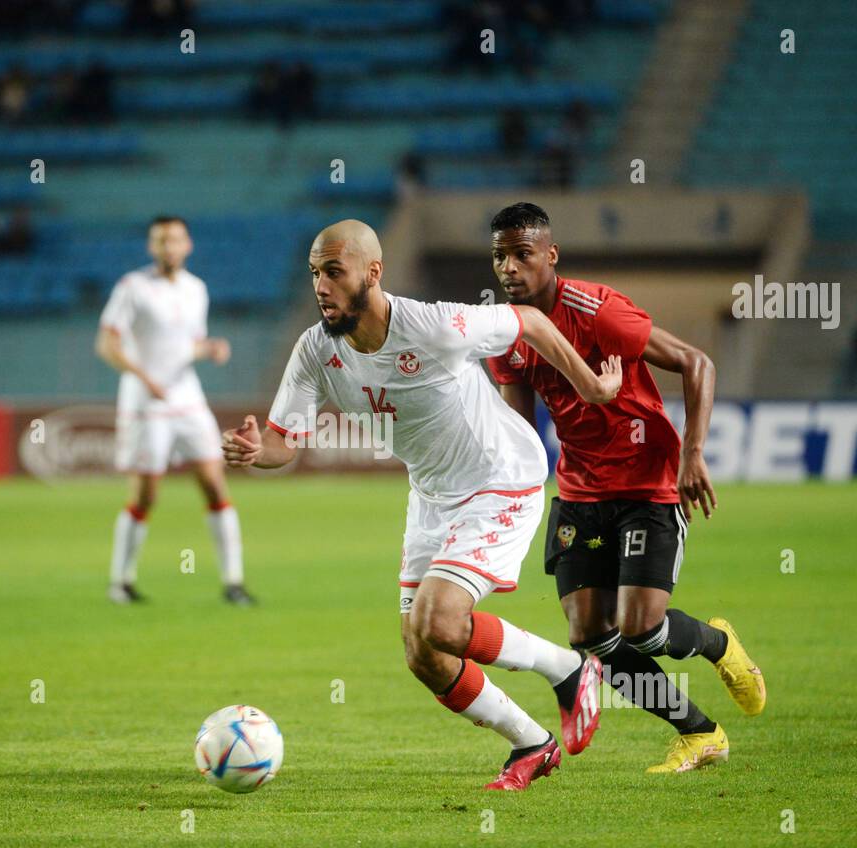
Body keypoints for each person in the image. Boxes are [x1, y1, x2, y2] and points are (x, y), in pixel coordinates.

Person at [223, 219, 619, 790]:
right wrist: (255, 449)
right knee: (423, 653)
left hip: (499, 476)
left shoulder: (436, 326)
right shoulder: (315, 350)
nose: (321, 286)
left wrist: (591, 387)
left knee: (440, 620)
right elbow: (284, 443)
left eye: (334, 271)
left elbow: (530, 321)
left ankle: (568, 668)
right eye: (315, 273)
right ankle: (532, 743)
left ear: (372, 273)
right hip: (431, 494)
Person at [484, 202, 764, 772]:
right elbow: (521, 431)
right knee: (591, 635)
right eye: (499, 257)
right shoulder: (507, 335)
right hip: (580, 494)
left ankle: (717, 644)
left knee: (642, 628)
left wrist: (693, 453)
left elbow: (696, 362)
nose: (509, 268)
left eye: (521, 255)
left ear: (550, 255)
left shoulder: (598, 311)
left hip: (648, 484)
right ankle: (699, 732)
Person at [96, 216, 255, 606]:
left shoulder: (196, 289)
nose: (169, 246)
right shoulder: (133, 287)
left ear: (188, 245)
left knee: (215, 483)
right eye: (161, 240)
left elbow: (190, 343)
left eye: (175, 239)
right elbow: (107, 343)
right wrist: (140, 375)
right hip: (146, 403)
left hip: (188, 399)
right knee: (146, 494)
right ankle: (121, 581)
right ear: (152, 247)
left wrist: (210, 348)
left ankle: (233, 582)